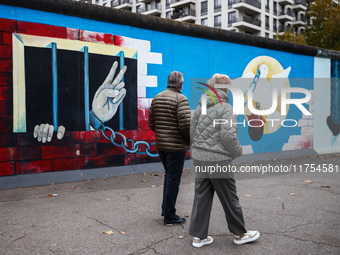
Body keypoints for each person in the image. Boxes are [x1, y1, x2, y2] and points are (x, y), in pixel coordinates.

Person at [189, 74, 260, 247]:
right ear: (227, 89)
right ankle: (240, 234)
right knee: (229, 197)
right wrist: (238, 152)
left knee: (202, 196)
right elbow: (228, 137)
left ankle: (199, 237)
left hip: (199, 157)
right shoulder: (226, 108)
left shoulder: (201, 106)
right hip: (218, 160)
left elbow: (191, 131)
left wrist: (197, 147)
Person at [148, 71, 191, 226]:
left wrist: (162, 135)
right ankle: (170, 216)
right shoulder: (181, 99)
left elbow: (151, 123)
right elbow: (186, 125)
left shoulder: (157, 98)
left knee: (169, 175)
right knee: (173, 179)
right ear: (181, 84)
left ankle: (166, 210)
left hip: (162, 146)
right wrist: (190, 140)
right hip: (176, 147)